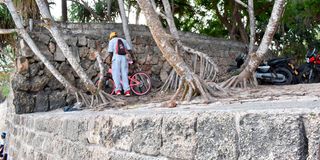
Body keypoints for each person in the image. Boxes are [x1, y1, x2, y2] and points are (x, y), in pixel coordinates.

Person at [107, 32, 132, 96]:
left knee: (116, 74)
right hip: (124, 59)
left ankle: (118, 90)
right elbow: (129, 50)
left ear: (111, 37)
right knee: (124, 74)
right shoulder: (123, 40)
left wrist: (110, 60)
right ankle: (127, 91)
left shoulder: (111, 41)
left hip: (116, 58)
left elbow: (110, 52)